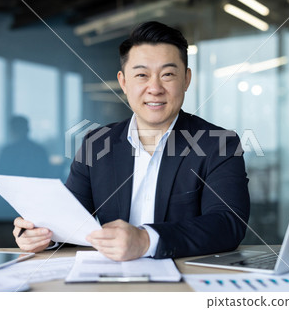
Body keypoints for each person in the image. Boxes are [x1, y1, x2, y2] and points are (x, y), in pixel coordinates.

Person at [13, 21, 250, 261]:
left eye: (168, 74)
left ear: (186, 79)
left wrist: (146, 240)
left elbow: (228, 224)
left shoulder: (219, 144)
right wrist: (42, 234)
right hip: (110, 280)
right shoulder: (97, 144)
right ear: (124, 82)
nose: (155, 88)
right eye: (141, 75)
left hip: (186, 278)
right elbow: (68, 219)